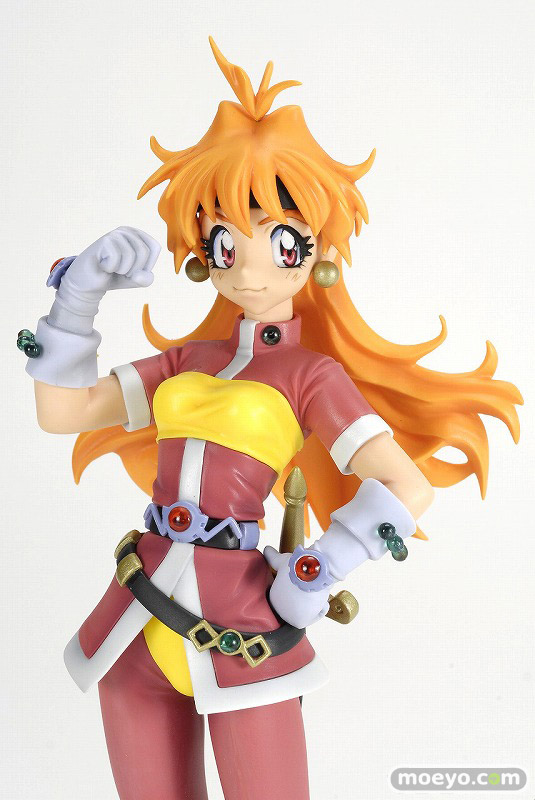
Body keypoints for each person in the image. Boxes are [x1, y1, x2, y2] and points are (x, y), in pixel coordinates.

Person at [23, 38, 521, 800]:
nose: (249, 267)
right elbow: (64, 413)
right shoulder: (184, 361)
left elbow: (406, 485)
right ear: (203, 250)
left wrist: (319, 569)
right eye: (225, 240)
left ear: (317, 251)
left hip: (243, 631)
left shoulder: (310, 376)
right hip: (136, 618)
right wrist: (75, 299)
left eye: (280, 241)